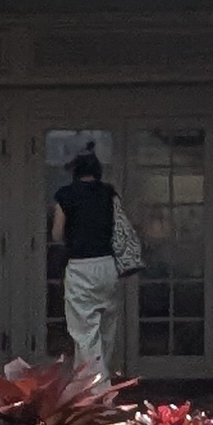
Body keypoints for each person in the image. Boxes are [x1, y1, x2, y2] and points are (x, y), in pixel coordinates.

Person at [51, 146, 123, 381]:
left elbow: (57, 233)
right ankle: (97, 382)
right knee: (106, 330)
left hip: (81, 266)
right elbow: (119, 228)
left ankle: (95, 389)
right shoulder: (109, 193)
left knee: (84, 331)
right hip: (108, 265)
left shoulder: (66, 195)